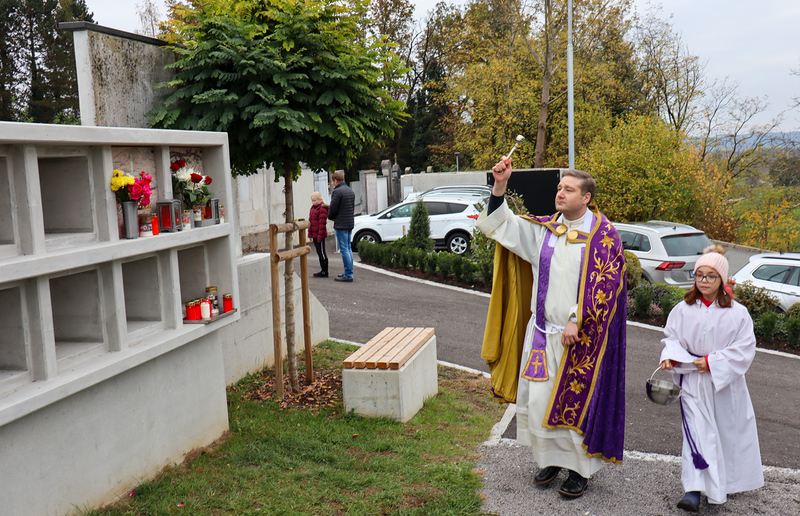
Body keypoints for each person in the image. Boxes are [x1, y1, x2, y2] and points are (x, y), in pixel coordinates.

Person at [477, 156, 627, 500]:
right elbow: (504, 226)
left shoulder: (603, 237)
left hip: (582, 340)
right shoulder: (545, 230)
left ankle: (579, 470)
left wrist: (577, 319)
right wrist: (500, 185)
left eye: (569, 190)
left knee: (577, 405)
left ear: (586, 197)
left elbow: (607, 287)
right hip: (543, 335)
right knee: (541, 401)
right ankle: (550, 460)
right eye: (560, 188)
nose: (560, 193)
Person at [659, 245, 763, 512]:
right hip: (692, 381)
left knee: (724, 433)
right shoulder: (683, 309)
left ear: (722, 279)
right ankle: (693, 489)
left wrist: (712, 362)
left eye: (711, 276)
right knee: (697, 432)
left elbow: (744, 348)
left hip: (723, 385)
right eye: (699, 275)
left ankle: (722, 483)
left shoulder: (737, 313)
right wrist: (670, 356)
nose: (704, 281)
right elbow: (672, 337)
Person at [327, 170, 355, 282]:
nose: (332, 183)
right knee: (348, 248)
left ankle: (348, 274)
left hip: (341, 224)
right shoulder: (350, 190)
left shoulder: (337, 192)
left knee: (344, 249)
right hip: (349, 222)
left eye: (332, 181)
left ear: (335, 180)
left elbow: (333, 208)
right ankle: (349, 272)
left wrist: (330, 216)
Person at [308, 192, 329, 278]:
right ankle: (322, 270)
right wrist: (310, 234)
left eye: (315, 201)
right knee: (319, 252)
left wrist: (320, 236)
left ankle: (325, 271)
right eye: (312, 201)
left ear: (320, 200)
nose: (313, 202)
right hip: (315, 234)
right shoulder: (313, 208)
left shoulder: (322, 209)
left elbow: (322, 224)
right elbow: (310, 222)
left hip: (319, 234)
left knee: (322, 252)